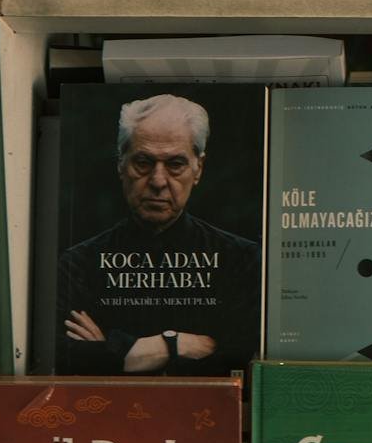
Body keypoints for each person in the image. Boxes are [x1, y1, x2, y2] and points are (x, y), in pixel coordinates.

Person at [56, 93, 261, 375]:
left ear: (198, 169)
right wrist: (175, 345)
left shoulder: (243, 260)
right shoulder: (77, 264)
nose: (158, 181)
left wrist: (112, 353)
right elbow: (66, 359)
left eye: (175, 164)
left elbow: (242, 363)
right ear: (120, 164)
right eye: (143, 162)